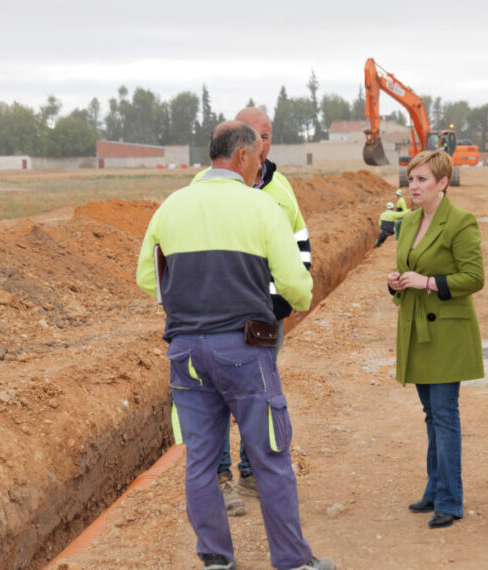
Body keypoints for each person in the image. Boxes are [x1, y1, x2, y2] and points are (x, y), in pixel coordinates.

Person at [137, 121, 334, 570]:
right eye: (258, 161)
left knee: (200, 462)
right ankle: (292, 561)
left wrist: (190, 303)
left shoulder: (171, 207)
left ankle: (216, 560)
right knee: (270, 456)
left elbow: (147, 278)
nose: (259, 168)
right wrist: (278, 298)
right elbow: (294, 286)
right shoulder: (260, 207)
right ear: (243, 156)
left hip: (185, 353)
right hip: (245, 351)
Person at [193, 107, 313, 517]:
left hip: (264, 316)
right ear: (240, 145)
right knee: (216, 403)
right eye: (255, 136)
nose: (263, 144)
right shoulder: (200, 190)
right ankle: (221, 480)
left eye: (268, 136)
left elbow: (300, 247)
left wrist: (281, 303)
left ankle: (249, 474)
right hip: (216, 316)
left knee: (259, 398)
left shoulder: (280, 191)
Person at [386, 149, 484, 529]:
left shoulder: (461, 222)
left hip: (447, 334)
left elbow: (474, 278)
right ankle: (434, 488)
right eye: (411, 179)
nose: (414, 186)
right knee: (431, 416)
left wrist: (428, 283)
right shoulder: (408, 222)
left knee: (444, 416)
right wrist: (395, 282)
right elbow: (404, 270)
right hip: (417, 332)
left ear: (442, 183)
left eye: (422, 179)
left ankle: (450, 499)